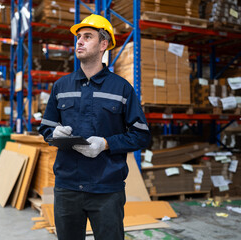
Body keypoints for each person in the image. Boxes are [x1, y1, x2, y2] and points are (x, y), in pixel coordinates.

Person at [38, 14, 151, 240]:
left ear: (103, 45)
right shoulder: (61, 86)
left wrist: (106, 143)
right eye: (78, 37)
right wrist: (54, 135)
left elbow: (142, 136)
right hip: (67, 187)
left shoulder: (121, 88)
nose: (79, 41)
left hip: (106, 190)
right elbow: (46, 128)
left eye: (87, 37)